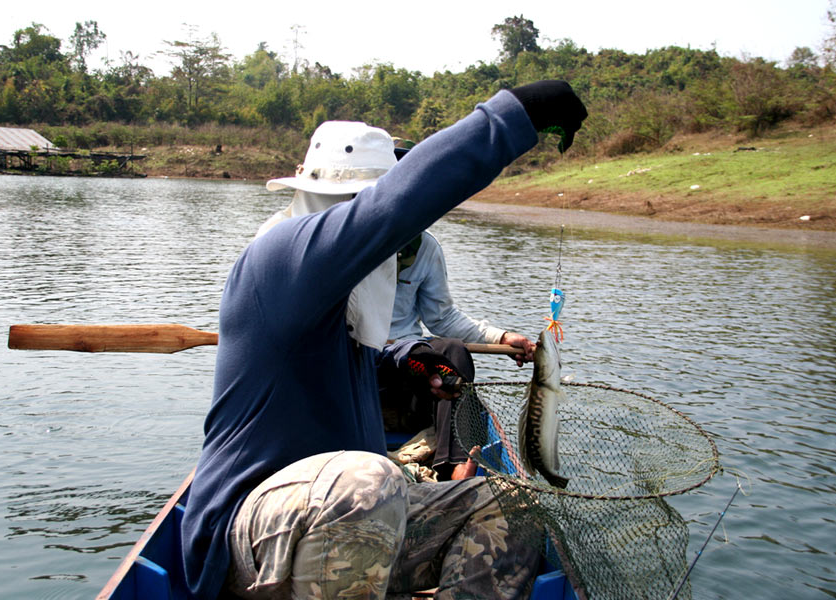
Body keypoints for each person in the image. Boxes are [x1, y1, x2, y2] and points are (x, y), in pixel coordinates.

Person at [181, 80, 587, 600]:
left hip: (343, 519)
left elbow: (361, 362)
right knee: (367, 483)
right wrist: (518, 114)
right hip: (250, 535)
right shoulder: (284, 258)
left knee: (509, 502)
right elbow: (403, 200)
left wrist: (415, 367)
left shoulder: (335, 299)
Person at [384, 222, 537, 480]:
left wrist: (501, 337)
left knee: (453, 352)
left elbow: (442, 318)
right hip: (355, 356)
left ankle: (452, 467)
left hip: (410, 359)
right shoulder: (342, 241)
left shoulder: (425, 246)